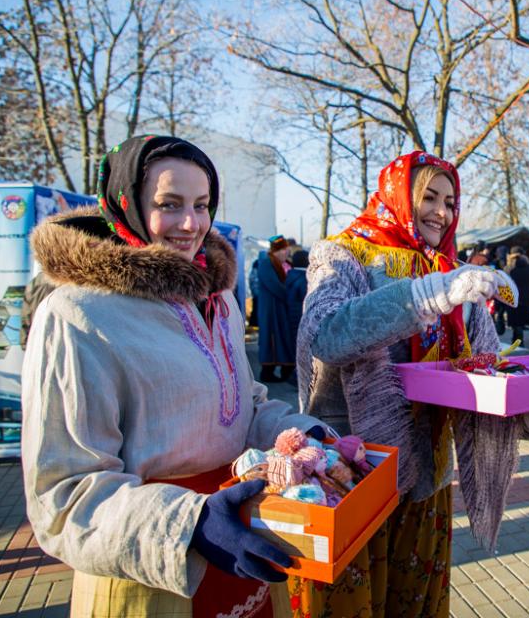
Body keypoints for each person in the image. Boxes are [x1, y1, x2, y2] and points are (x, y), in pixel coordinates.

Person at [21, 135, 329, 617]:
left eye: (202, 205)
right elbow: (62, 497)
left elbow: (241, 405)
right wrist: (192, 524)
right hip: (152, 574)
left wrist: (299, 432)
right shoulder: (77, 314)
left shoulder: (218, 297)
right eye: (169, 204)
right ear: (128, 204)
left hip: (244, 546)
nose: (191, 224)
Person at [292, 150, 529, 617]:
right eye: (428, 197)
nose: (441, 212)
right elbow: (326, 336)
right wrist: (433, 293)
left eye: (450, 202)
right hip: (352, 477)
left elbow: (488, 374)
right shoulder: (345, 254)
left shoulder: (455, 272)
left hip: (426, 483)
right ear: (397, 196)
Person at [256, 235, 295, 382]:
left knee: (284, 337)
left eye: (287, 250)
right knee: (271, 337)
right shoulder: (266, 264)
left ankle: (286, 370)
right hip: (271, 309)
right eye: (284, 250)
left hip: (281, 307)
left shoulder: (284, 264)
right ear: (277, 250)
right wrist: (291, 296)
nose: (287, 253)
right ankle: (267, 371)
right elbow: (274, 285)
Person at [283, 249, 310, 387]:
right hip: (301, 316)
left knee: (297, 346)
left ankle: (296, 376)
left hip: (292, 316)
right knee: (303, 348)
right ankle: (297, 378)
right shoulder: (304, 278)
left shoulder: (291, 275)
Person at [504, 245, 529, 346]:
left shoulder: (508, 268)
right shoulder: (528, 267)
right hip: (525, 298)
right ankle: (518, 341)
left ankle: (517, 342)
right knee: (520, 322)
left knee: (515, 322)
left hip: (511, 298)